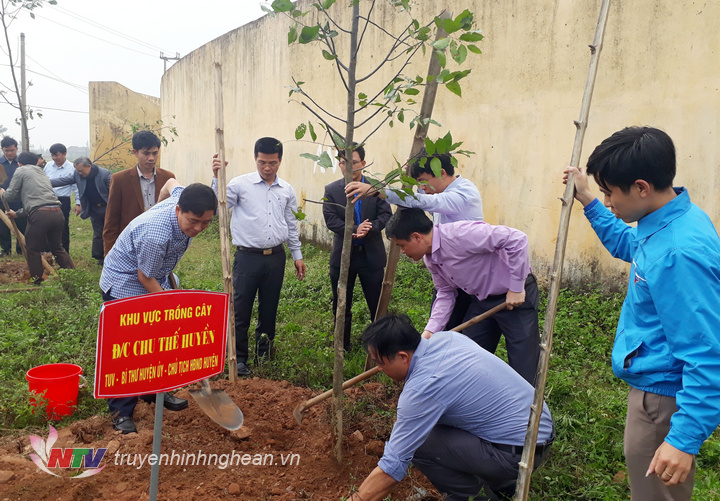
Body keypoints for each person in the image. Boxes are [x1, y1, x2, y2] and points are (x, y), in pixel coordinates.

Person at [563, 126, 720, 501]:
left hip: (662, 402)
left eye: (608, 192)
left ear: (641, 187)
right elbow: (632, 246)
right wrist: (589, 202)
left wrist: (682, 439)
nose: (608, 200)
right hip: (658, 391)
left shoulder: (677, 253)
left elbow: (706, 352)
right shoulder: (671, 221)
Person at [348, 315, 554, 501]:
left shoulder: (423, 389)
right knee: (429, 425)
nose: (379, 369)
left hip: (521, 453)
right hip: (539, 426)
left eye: (380, 362)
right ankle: (503, 485)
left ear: (403, 357)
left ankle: (471, 495)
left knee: (417, 443)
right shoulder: (446, 338)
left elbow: (392, 466)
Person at [99, 180, 218, 434]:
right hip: (125, 284)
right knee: (129, 350)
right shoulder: (156, 234)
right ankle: (121, 413)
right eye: (193, 221)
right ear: (178, 211)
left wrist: (153, 206)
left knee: (157, 341)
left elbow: (170, 184)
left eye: (205, 222)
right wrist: (171, 309)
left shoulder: (181, 196)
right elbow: (145, 277)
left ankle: (154, 392)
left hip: (154, 275)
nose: (198, 228)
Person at [384, 208, 540, 385]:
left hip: (515, 298)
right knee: (468, 355)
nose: (403, 251)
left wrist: (516, 286)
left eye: (402, 245)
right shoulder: (431, 259)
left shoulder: (461, 234)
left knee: (523, 362)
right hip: (482, 300)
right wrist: (429, 333)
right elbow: (445, 293)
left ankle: (528, 409)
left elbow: (517, 239)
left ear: (416, 237)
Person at [346, 149, 484, 330]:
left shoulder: (464, 194)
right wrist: (405, 177)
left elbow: (423, 201)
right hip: (449, 276)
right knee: (442, 329)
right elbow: (419, 196)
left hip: (471, 277)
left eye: (422, 182)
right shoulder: (438, 191)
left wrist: (377, 191)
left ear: (441, 173)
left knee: (465, 334)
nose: (422, 188)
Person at [211, 137, 306, 376]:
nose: (267, 168)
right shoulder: (239, 185)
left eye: (272, 163)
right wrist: (216, 177)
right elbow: (217, 205)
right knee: (241, 308)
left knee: (269, 307)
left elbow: (291, 224)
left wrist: (297, 254)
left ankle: (263, 353)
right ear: (255, 158)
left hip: (276, 257)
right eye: (262, 162)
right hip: (247, 258)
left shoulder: (286, 190)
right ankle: (239, 358)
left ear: (280, 161)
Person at [322, 144, 392, 350]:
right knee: (341, 303)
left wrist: (370, 228)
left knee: (376, 305)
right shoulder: (332, 190)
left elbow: (386, 215)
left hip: (371, 255)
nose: (348, 167)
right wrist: (353, 228)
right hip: (343, 256)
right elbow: (331, 220)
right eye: (343, 163)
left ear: (363, 163)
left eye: (353, 162)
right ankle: (341, 346)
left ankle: (380, 346)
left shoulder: (375, 188)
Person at [0, 152, 75, 283]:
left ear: (19, 163)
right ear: (36, 162)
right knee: (57, 247)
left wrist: (3, 194)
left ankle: (37, 280)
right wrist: (17, 214)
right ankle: (73, 275)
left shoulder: (21, 170)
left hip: (41, 216)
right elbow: (38, 200)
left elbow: (11, 195)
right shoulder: (41, 173)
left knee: (32, 248)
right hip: (57, 213)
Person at [102, 130, 175, 256]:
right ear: (135, 152)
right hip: (130, 243)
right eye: (146, 153)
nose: (151, 158)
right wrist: (109, 254)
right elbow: (112, 219)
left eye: (155, 153)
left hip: (159, 241)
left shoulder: (168, 178)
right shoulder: (120, 179)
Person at [50, 157, 111, 265]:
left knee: (109, 232)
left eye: (81, 170)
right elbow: (64, 180)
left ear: (89, 166)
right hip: (94, 209)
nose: (79, 173)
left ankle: (111, 256)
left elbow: (114, 192)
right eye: (78, 171)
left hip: (108, 207)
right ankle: (100, 257)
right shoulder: (78, 175)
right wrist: (44, 182)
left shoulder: (105, 174)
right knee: (98, 233)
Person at [44, 143, 80, 253]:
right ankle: (48, 251)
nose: (54, 158)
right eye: (52, 155)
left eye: (57, 155)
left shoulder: (72, 168)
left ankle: (64, 251)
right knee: (47, 225)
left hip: (63, 200)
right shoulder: (48, 166)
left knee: (62, 226)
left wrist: (78, 203)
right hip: (48, 199)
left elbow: (77, 187)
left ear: (64, 154)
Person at [0, 137, 26, 256]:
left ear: (16, 149)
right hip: (2, 199)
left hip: (19, 199)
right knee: (3, 227)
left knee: (21, 224)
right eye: (6, 151)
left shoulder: (22, 163)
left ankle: (21, 249)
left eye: (11, 150)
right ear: (2, 150)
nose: (9, 153)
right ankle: (6, 250)